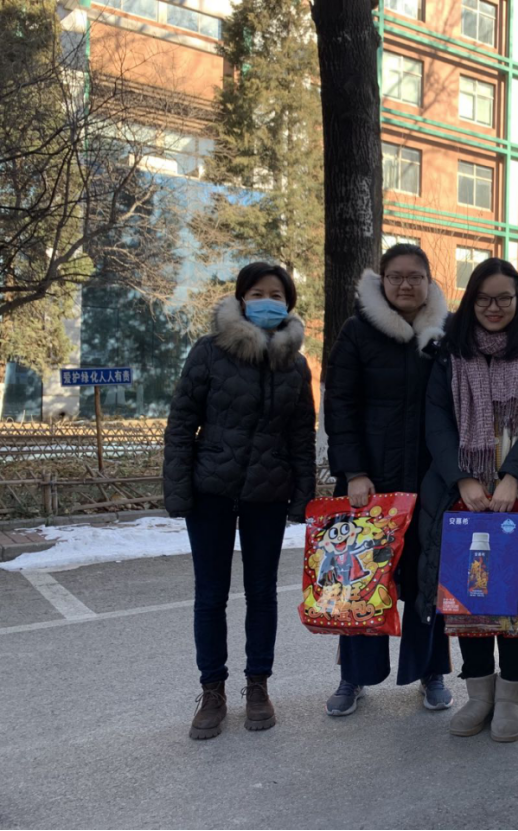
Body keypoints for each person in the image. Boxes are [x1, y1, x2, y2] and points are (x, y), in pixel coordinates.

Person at [164, 262, 316, 740]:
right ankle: (212, 690)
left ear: (288, 304)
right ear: (241, 299)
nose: (267, 301)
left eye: (276, 294)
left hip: (267, 494)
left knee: (262, 593)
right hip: (211, 490)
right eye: (257, 293)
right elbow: (181, 423)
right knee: (210, 595)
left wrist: (303, 497)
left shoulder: (294, 364)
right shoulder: (209, 351)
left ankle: (258, 685)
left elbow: (302, 437)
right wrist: (179, 489)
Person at [417, 258, 518, 743]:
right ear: (470, 300)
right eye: (483, 298)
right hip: (461, 498)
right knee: (469, 598)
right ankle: (478, 694)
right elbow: (436, 422)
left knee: (517, 597)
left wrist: (511, 477)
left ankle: (511, 697)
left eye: (504, 298)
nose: (493, 307)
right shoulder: (448, 356)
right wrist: (462, 479)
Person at [322, 244, 454, 716]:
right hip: (370, 483)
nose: (405, 284)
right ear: (382, 281)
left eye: (415, 276)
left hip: (430, 480)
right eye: (395, 276)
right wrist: (353, 472)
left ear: (429, 281)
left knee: (427, 578)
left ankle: (431, 671)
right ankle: (353, 676)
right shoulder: (358, 331)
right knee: (361, 580)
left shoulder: (446, 331)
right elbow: (340, 405)